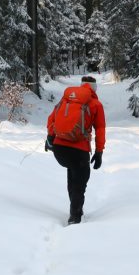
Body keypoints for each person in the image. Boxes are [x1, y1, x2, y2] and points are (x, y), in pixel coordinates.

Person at [45, 75, 105, 224]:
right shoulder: (96, 104)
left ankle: (76, 208)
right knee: (80, 181)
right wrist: (99, 152)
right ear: (94, 88)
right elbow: (100, 129)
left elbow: (51, 119)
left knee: (72, 174)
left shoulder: (66, 100)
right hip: (79, 150)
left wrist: (51, 138)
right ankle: (75, 217)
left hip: (59, 150)